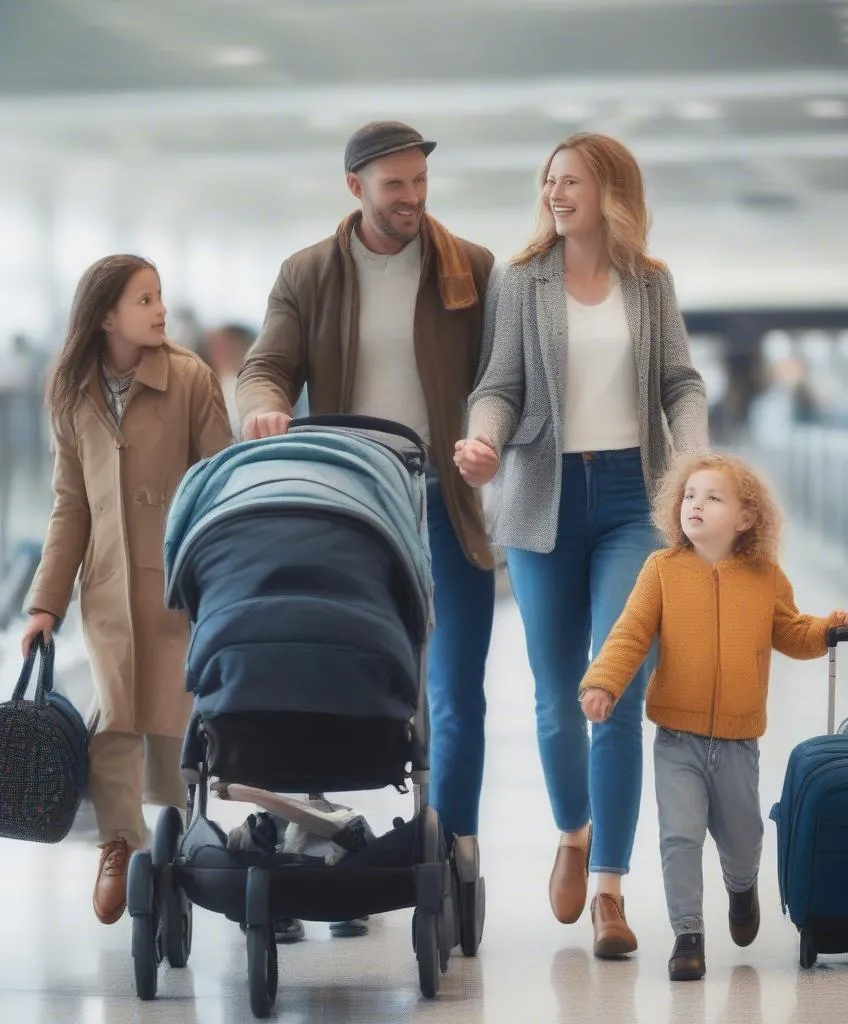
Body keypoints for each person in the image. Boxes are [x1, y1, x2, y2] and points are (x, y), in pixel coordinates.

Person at [234, 121, 496, 949]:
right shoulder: (309, 273)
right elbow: (265, 364)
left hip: (442, 502)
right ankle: (326, 838)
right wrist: (265, 406)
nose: (413, 199)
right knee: (332, 670)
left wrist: (491, 432)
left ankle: (452, 844)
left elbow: (502, 376)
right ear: (356, 187)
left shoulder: (472, 269)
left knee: (453, 692)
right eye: (395, 186)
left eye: (421, 183)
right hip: (351, 510)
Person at [455, 132, 708, 958]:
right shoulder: (520, 281)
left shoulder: (649, 283)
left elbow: (679, 381)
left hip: (634, 501)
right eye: (550, 180)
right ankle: (573, 827)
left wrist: (697, 455)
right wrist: (483, 441)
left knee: (616, 687)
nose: (557, 192)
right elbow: (498, 383)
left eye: (572, 180)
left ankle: (608, 887)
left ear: (611, 192)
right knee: (557, 695)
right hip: (541, 501)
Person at [577, 452, 848, 980]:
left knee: (744, 835)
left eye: (713, 497)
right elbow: (630, 633)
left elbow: (791, 631)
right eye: (689, 496)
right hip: (676, 739)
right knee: (679, 837)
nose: (696, 505)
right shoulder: (660, 571)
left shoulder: (764, 577)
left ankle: (741, 886)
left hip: (737, 742)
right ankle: (688, 935)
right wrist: (603, 682)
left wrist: (827, 629)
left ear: (746, 518)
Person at [20, 254, 233, 925]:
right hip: (107, 589)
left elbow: (220, 484)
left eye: (161, 296)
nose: (161, 310)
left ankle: (172, 841)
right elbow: (68, 507)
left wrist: (219, 580)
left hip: (178, 585)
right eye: (145, 300)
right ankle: (119, 845)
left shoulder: (191, 379)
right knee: (112, 721)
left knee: (173, 721)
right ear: (106, 314)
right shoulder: (71, 392)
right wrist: (45, 604)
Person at [200, 323, 255, 437]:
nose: (217, 350)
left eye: (224, 345)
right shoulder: (204, 387)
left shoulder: (246, 387)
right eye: (213, 345)